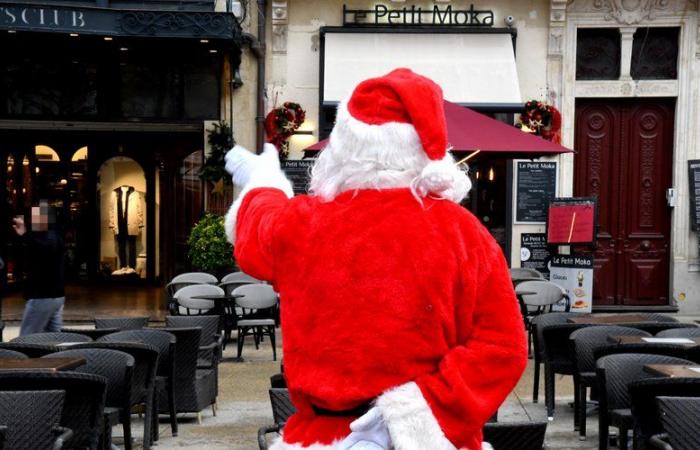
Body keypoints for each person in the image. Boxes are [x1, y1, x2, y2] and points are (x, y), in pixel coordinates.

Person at [224, 69, 527, 450]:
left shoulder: (300, 224)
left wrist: (264, 181)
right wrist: (415, 412)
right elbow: (504, 348)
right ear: (423, 151)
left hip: (321, 439)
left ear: (344, 146)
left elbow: (255, 228)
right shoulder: (463, 234)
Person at [12, 200, 66, 336]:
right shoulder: (49, 234)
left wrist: (24, 234)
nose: (33, 220)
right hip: (54, 295)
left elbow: (44, 249)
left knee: (27, 338)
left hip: (43, 295)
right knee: (53, 338)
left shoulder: (49, 236)